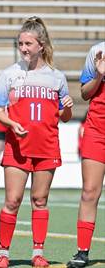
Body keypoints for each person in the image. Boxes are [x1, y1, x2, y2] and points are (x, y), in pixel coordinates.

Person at [0, 16, 73, 268]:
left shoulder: (57, 77)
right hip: (17, 147)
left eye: (28, 43)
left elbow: (65, 117)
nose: (24, 48)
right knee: (12, 200)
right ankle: (3, 253)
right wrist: (11, 123)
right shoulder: (9, 74)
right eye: (20, 44)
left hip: (46, 147)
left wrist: (68, 108)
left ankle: (38, 253)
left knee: (39, 200)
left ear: (42, 45)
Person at [67, 41, 104, 268]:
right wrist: (99, 76)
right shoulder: (98, 50)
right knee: (90, 191)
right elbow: (84, 93)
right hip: (97, 130)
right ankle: (82, 251)